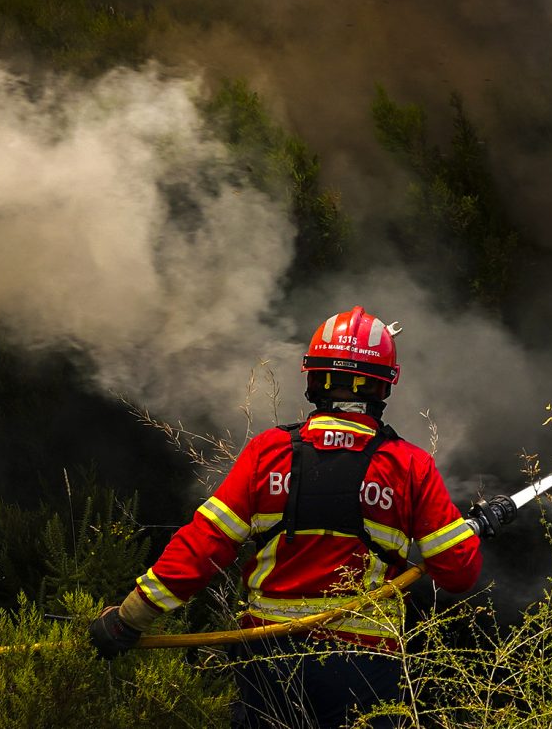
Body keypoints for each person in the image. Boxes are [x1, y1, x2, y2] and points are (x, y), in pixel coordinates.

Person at [86, 307, 521, 727]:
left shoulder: (268, 453)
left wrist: (129, 619)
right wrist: (473, 530)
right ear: (384, 386)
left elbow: (202, 547)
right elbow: (458, 574)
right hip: (365, 669)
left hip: (270, 660)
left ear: (314, 378)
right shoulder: (409, 466)